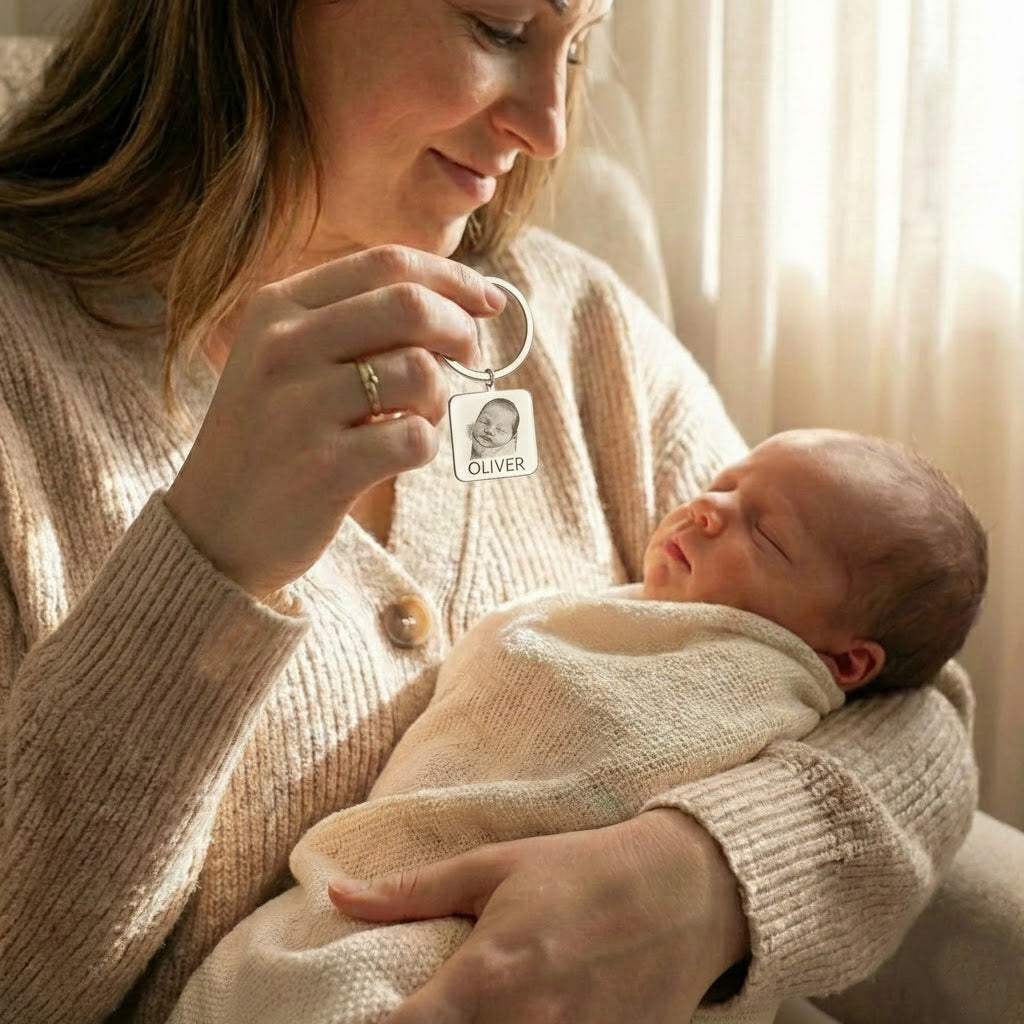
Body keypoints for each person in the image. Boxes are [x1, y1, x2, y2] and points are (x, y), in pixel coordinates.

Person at [0, 2, 978, 1023]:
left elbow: (908, 699)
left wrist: (704, 877)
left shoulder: (568, 326)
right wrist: (205, 559)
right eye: (501, 27)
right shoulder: (25, 380)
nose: (549, 127)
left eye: (579, 45)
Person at [167, 427, 987, 1024]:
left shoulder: (591, 320)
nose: (707, 508)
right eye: (723, 484)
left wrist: (705, 873)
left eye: (764, 533)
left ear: (846, 666)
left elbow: (924, 718)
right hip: (360, 908)